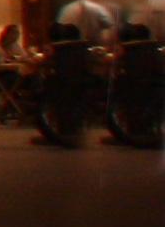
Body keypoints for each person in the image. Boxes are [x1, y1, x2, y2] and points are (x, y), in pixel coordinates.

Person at [30, 21, 98, 149]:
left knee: (42, 90)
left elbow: (45, 61)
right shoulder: (82, 47)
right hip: (82, 82)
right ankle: (74, 128)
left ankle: (61, 130)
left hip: (60, 83)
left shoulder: (58, 48)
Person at [107, 24, 163, 152]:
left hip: (136, 92)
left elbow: (118, 77)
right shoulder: (154, 50)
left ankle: (136, 129)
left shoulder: (128, 52)